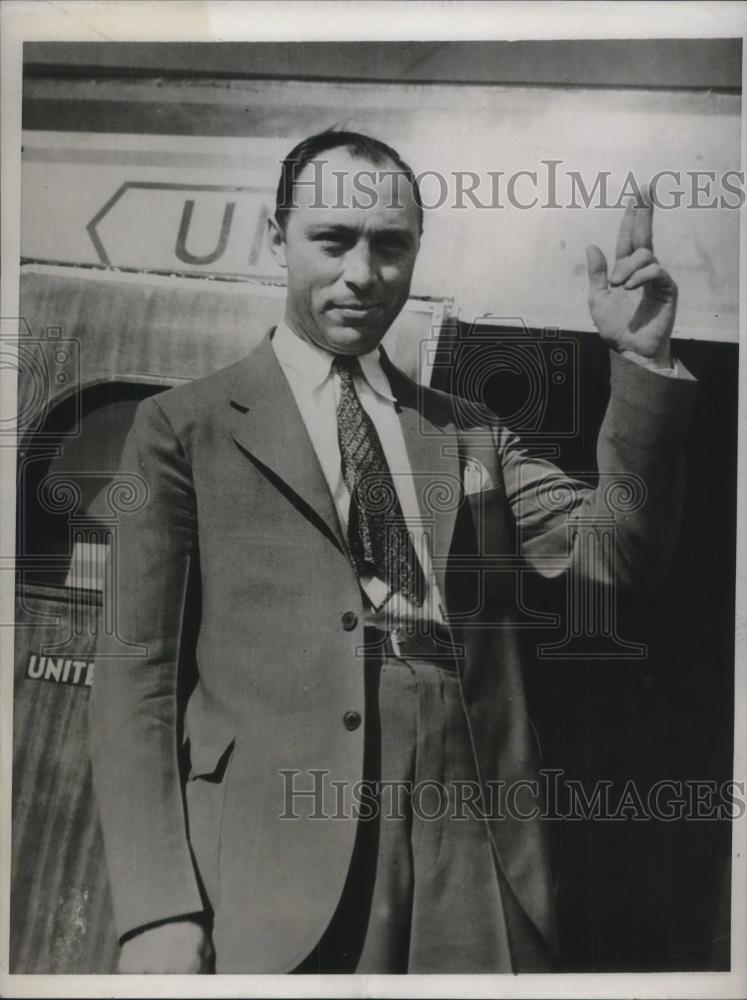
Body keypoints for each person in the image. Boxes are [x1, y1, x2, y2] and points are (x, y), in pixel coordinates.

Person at [89, 129, 697, 974]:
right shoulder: (182, 430)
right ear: (278, 238)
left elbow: (616, 559)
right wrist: (157, 909)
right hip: (280, 839)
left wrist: (641, 363)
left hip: (474, 821)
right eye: (331, 240)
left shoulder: (469, 430)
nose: (361, 274)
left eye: (390, 245)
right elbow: (136, 679)